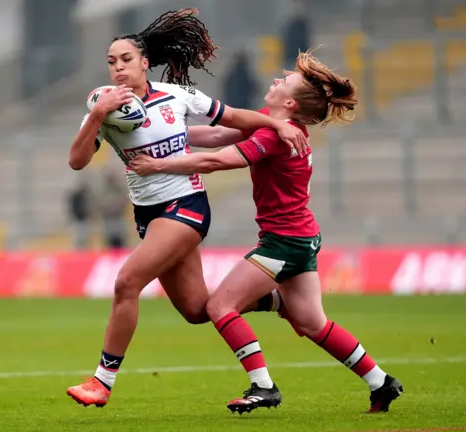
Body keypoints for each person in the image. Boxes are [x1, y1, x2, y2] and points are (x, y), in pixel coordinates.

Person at [129, 50, 404, 414]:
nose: (274, 81)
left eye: (282, 82)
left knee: (219, 306)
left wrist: (157, 164)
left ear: (289, 103)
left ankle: (263, 387)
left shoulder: (275, 138)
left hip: (283, 242)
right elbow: (212, 137)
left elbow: (217, 161)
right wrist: (149, 132)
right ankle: (381, 382)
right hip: (301, 237)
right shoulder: (271, 125)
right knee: (311, 322)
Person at [66, 8, 308, 408]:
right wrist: (95, 116)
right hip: (149, 216)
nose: (118, 68)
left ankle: (102, 382)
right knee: (199, 309)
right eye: (111, 62)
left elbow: (230, 117)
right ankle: (279, 302)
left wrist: (276, 124)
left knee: (126, 282)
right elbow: (76, 162)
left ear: (145, 63)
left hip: (185, 208)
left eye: (126, 59)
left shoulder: (174, 96)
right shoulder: (103, 110)